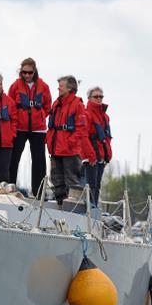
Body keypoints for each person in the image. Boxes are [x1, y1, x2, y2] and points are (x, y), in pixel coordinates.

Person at [7, 57, 52, 197]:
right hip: (19, 128)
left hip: (38, 129)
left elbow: (47, 106)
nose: (27, 75)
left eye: (30, 72)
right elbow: (10, 104)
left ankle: (38, 192)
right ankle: (10, 189)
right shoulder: (15, 86)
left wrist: (39, 116)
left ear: (34, 71)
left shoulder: (43, 86)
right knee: (14, 158)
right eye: (24, 72)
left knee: (39, 161)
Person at [46, 75, 88, 206]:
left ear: (70, 88)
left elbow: (81, 128)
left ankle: (72, 209)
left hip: (70, 151)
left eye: (61, 86)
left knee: (72, 182)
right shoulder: (56, 104)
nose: (58, 88)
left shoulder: (78, 105)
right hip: (55, 148)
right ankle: (60, 206)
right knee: (56, 180)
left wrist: (70, 142)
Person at [80, 86, 113, 206]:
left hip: (101, 157)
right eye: (96, 97)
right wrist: (90, 155)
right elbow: (83, 136)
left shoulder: (105, 117)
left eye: (101, 97)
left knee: (97, 186)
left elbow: (107, 137)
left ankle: (94, 210)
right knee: (90, 185)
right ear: (89, 98)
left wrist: (108, 155)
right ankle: (90, 209)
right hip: (91, 157)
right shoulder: (85, 114)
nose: (99, 99)